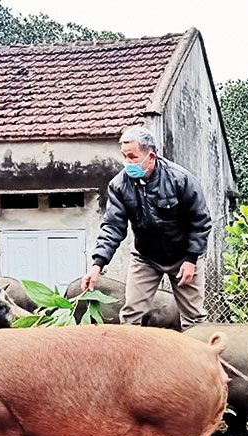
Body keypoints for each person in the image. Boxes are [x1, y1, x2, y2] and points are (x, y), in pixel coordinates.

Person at [81, 125, 211, 329]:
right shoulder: (119, 185)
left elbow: (200, 221)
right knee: (130, 315)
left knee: (194, 320)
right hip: (146, 258)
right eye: (124, 157)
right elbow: (113, 227)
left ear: (150, 157)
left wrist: (191, 259)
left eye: (132, 157)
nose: (127, 163)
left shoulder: (180, 179)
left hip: (183, 256)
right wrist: (97, 265)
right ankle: (130, 359)